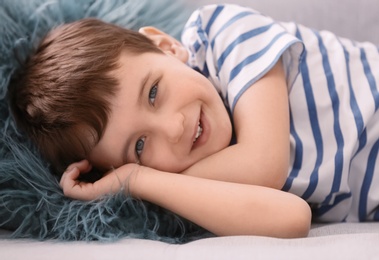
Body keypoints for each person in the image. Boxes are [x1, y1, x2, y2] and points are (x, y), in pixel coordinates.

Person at [13, 2, 379, 238]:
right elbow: (293, 218)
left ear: (166, 46)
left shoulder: (225, 32)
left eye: (154, 92)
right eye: (139, 146)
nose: (173, 129)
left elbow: (264, 164)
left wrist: (145, 175)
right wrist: (140, 182)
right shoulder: (187, 187)